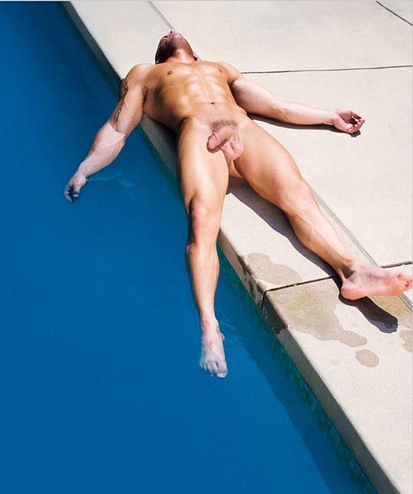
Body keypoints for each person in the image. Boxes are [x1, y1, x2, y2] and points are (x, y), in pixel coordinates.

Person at [65, 31, 412, 378]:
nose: (170, 32)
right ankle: (209, 327)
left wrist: (329, 116)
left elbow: (274, 106)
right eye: (164, 37)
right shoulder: (145, 74)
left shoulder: (221, 69)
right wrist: (85, 169)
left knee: (297, 194)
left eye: (173, 32)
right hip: (199, 131)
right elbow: (117, 128)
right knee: (202, 218)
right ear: (159, 55)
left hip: (242, 128)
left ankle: (353, 271)